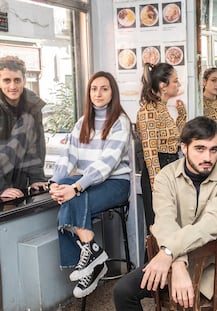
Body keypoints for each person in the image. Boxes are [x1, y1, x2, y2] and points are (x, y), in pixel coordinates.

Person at [113, 116, 217, 311]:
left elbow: (210, 225)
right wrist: (177, 262)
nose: (208, 157)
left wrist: (169, 252)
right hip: (171, 260)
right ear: (184, 147)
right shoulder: (165, 177)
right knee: (122, 291)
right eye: (200, 148)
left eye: (213, 149)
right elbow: (164, 221)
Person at [48, 71, 131, 298]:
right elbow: (68, 156)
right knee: (66, 189)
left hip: (115, 183)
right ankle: (92, 252)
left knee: (72, 196)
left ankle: (92, 260)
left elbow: (107, 164)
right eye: (94, 89)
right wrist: (55, 183)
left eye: (104, 88)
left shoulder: (120, 122)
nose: (98, 93)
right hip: (90, 183)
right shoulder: (82, 122)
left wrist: (75, 187)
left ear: (112, 92)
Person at [137, 62, 187, 230]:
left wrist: (182, 115)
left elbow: (173, 140)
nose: (178, 84)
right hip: (158, 173)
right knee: (158, 231)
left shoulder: (163, 109)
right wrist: (157, 190)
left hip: (170, 169)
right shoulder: (148, 111)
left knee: (172, 230)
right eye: (175, 81)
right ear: (163, 86)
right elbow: (150, 156)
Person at [0, 55, 47, 199]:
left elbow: (36, 146)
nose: (12, 86)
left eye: (17, 80)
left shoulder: (32, 107)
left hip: (19, 187)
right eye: (7, 80)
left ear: (24, 81)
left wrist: (36, 178)